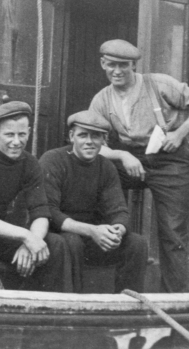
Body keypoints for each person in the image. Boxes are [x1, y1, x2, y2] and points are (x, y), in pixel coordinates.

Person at [89, 39, 189, 292]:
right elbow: (94, 143)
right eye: (111, 65)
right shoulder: (102, 99)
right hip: (131, 160)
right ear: (102, 64)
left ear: (133, 65)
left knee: (173, 232)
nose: (117, 71)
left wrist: (179, 134)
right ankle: (116, 284)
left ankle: (172, 299)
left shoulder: (159, 84)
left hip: (170, 161)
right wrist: (121, 156)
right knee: (98, 177)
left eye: (124, 65)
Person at [0, 101, 73, 292]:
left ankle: (51, 305)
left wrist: (32, 241)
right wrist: (26, 236)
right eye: (9, 135)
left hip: (1, 232)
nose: (17, 142)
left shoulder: (30, 163)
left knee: (55, 243)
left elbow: (40, 213)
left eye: (22, 134)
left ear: (29, 132)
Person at [41, 110, 148, 293]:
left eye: (96, 136)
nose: (89, 141)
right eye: (83, 135)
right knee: (71, 241)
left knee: (136, 243)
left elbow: (119, 211)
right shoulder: (53, 160)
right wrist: (91, 230)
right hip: (58, 236)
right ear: (71, 136)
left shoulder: (106, 167)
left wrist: (117, 231)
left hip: (92, 239)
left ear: (103, 140)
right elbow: (50, 212)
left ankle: (126, 303)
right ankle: (72, 303)